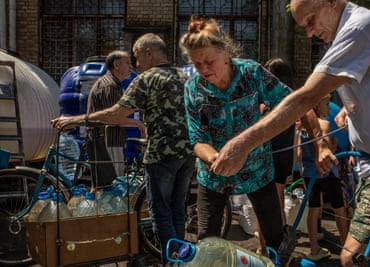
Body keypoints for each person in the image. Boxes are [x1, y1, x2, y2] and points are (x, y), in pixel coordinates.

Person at [211, 0, 370, 266]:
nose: (309, 32)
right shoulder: (354, 30)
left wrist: (242, 143)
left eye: (311, 20)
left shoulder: (360, 28)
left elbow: (305, 97)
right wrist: (351, 112)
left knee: (354, 258)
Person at [178, 16, 331, 264]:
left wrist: (320, 143)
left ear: (225, 53)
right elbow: (197, 139)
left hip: (258, 173)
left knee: (275, 240)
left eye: (209, 61)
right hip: (214, 176)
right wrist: (217, 158)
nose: (204, 69)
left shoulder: (251, 73)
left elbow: (296, 105)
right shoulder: (193, 89)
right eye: (197, 65)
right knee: (206, 243)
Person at [52, 33, 196, 267]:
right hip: (188, 155)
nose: (136, 64)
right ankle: (181, 259)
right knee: (178, 210)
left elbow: (117, 114)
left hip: (161, 156)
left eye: (137, 57)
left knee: (160, 214)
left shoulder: (147, 79)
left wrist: (78, 119)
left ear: (149, 54)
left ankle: (174, 261)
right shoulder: (186, 78)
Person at [296, 94, 349, 261]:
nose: (328, 107)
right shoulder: (324, 125)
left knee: (313, 209)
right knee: (339, 208)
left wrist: (306, 170)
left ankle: (314, 249)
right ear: (318, 107)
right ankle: (346, 249)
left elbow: (298, 153)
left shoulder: (301, 127)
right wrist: (333, 143)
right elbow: (326, 151)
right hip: (326, 173)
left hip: (309, 174)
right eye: (326, 104)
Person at [255, 57, 297, 255]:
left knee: (265, 207)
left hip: (268, 158)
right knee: (278, 203)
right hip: (284, 159)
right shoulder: (291, 100)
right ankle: (280, 248)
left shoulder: (269, 103)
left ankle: (266, 250)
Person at [85, 50, 132, 188]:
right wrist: (137, 123)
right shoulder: (109, 86)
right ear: (116, 65)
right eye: (127, 63)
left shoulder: (114, 84)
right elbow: (113, 118)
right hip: (106, 141)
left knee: (110, 184)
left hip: (110, 140)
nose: (131, 67)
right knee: (111, 186)